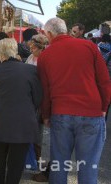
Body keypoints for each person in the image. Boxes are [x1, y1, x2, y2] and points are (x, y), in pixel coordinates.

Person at [37, 17, 110, 183]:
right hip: (91, 112)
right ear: (66, 29)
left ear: (49, 34)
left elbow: (45, 91)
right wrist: (104, 107)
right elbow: (104, 81)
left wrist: (46, 115)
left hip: (61, 113)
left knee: (59, 165)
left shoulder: (45, 56)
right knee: (89, 167)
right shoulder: (89, 46)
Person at [0, 38, 42, 184]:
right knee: (16, 162)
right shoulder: (31, 70)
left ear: (0, 54)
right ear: (15, 52)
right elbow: (37, 98)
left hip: (1, 120)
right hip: (24, 121)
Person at [25, 34, 49, 182]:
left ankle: (36, 160)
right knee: (29, 129)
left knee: (37, 132)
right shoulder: (30, 58)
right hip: (28, 98)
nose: (31, 49)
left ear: (41, 48)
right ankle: (30, 160)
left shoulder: (45, 60)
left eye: (34, 47)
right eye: (31, 46)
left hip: (39, 100)